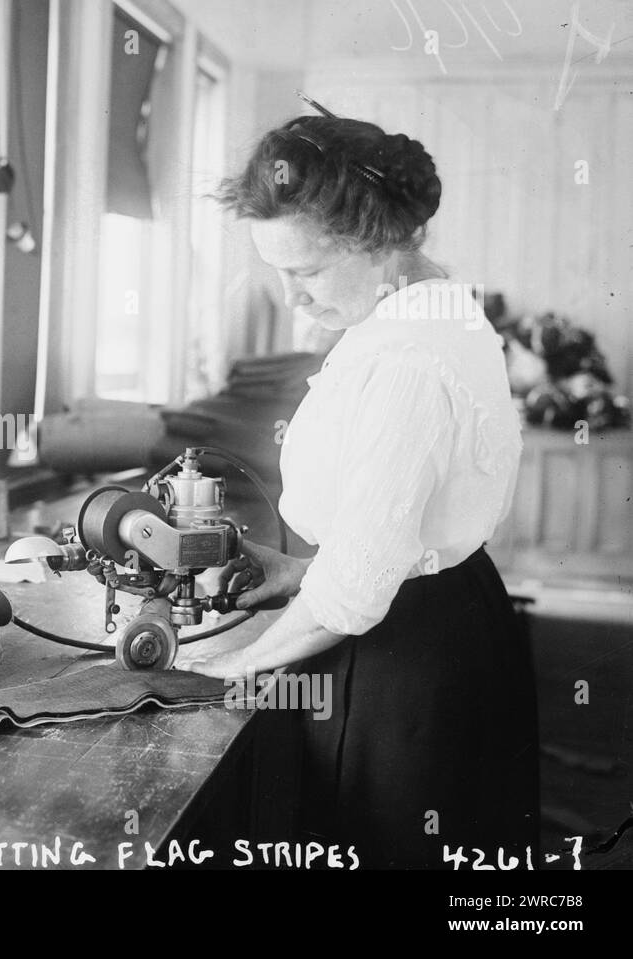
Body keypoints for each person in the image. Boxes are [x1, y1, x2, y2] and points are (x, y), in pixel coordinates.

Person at [183, 110, 540, 869]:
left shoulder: (405, 358)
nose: (291, 298)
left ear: (378, 241)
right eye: (275, 271)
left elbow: (353, 594)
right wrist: (297, 571)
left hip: (401, 660)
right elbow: (399, 526)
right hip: (439, 613)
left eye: (306, 272)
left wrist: (225, 671)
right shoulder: (428, 306)